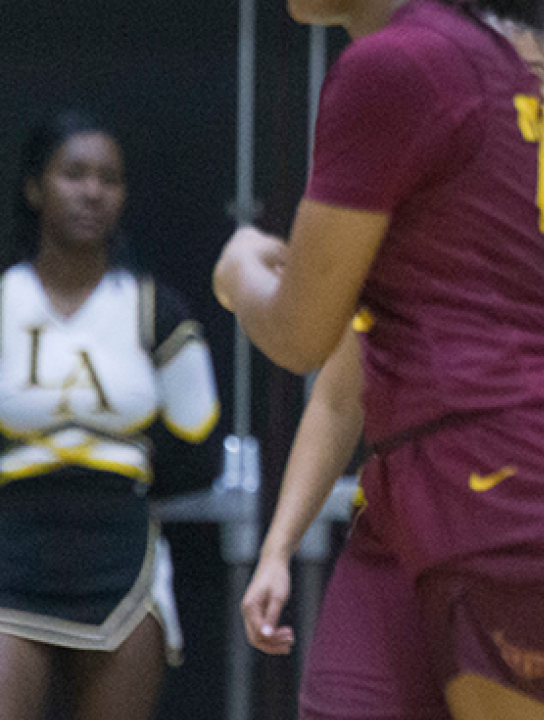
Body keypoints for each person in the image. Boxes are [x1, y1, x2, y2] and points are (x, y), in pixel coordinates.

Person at [213, 0, 544, 716]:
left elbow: (300, 334)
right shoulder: (482, 69)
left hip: (517, 495)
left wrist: (240, 272)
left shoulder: (396, 66)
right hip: (410, 500)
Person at [0, 111, 219, 720]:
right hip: (9, 550)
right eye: (73, 174)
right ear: (34, 187)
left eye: (109, 178)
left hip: (123, 560)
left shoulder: (158, 310)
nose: (92, 192)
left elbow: (199, 449)